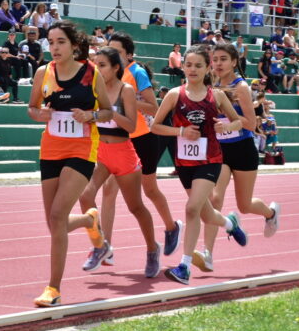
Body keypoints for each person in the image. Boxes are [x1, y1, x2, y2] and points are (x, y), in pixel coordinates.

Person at [26, 21, 114, 306]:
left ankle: (53, 289)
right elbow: (31, 108)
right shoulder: (44, 72)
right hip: (51, 147)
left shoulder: (91, 73)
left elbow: (108, 111)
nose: (54, 47)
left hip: (82, 147)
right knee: (54, 223)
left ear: (74, 45)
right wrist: (39, 114)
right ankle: (89, 220)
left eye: (60, 42)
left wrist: (90, 116)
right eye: (51, 42)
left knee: (57, 215)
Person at [150, 45, 248, 285]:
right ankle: (230, 223)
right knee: (205, 213)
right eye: (188, 65)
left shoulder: (217, 96)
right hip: (185, 162)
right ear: (183, 67)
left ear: (207, 69)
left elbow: (239, 122)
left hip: (210, 160)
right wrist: (180, 131)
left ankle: (184, 267)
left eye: (198, 65)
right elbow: (155, 126)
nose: (192, 69)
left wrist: (227, 126)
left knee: (192, 208)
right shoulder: (174, 94)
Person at [192, 43, 279, 274]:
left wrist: (229, 125)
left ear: (233, 62)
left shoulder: (240, 87)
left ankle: (271, 213)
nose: (218, 63)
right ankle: (208, 255)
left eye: (223, 59)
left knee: (245, 205)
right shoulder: (209, 84)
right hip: (219, 151)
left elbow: (251, 123)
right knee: (214, 198)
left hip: (242, 149)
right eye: (215, 59)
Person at [77, 47, 159, 276]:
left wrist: (110, 113)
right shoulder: (93, 89)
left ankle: (153, 249)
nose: (97, 69)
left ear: (115, 68)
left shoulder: (126, 90)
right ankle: (100, 245)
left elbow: (131, 126)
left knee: (136, 207)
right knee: (85, 196)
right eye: (95, 64)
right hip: (102, 153)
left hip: (123, 154)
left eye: (102, 65)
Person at [107, 33, 182, 255]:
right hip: (121, 138)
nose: (112, 55)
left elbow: (154, 107)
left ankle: (171, 227)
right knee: (109, 190)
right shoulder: (107, 74)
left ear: (129, 54)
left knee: (149, 189)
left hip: (144, 138)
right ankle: (104, 246)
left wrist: (129, 101)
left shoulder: (137, 73)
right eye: (109, 50)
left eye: (117, 52)